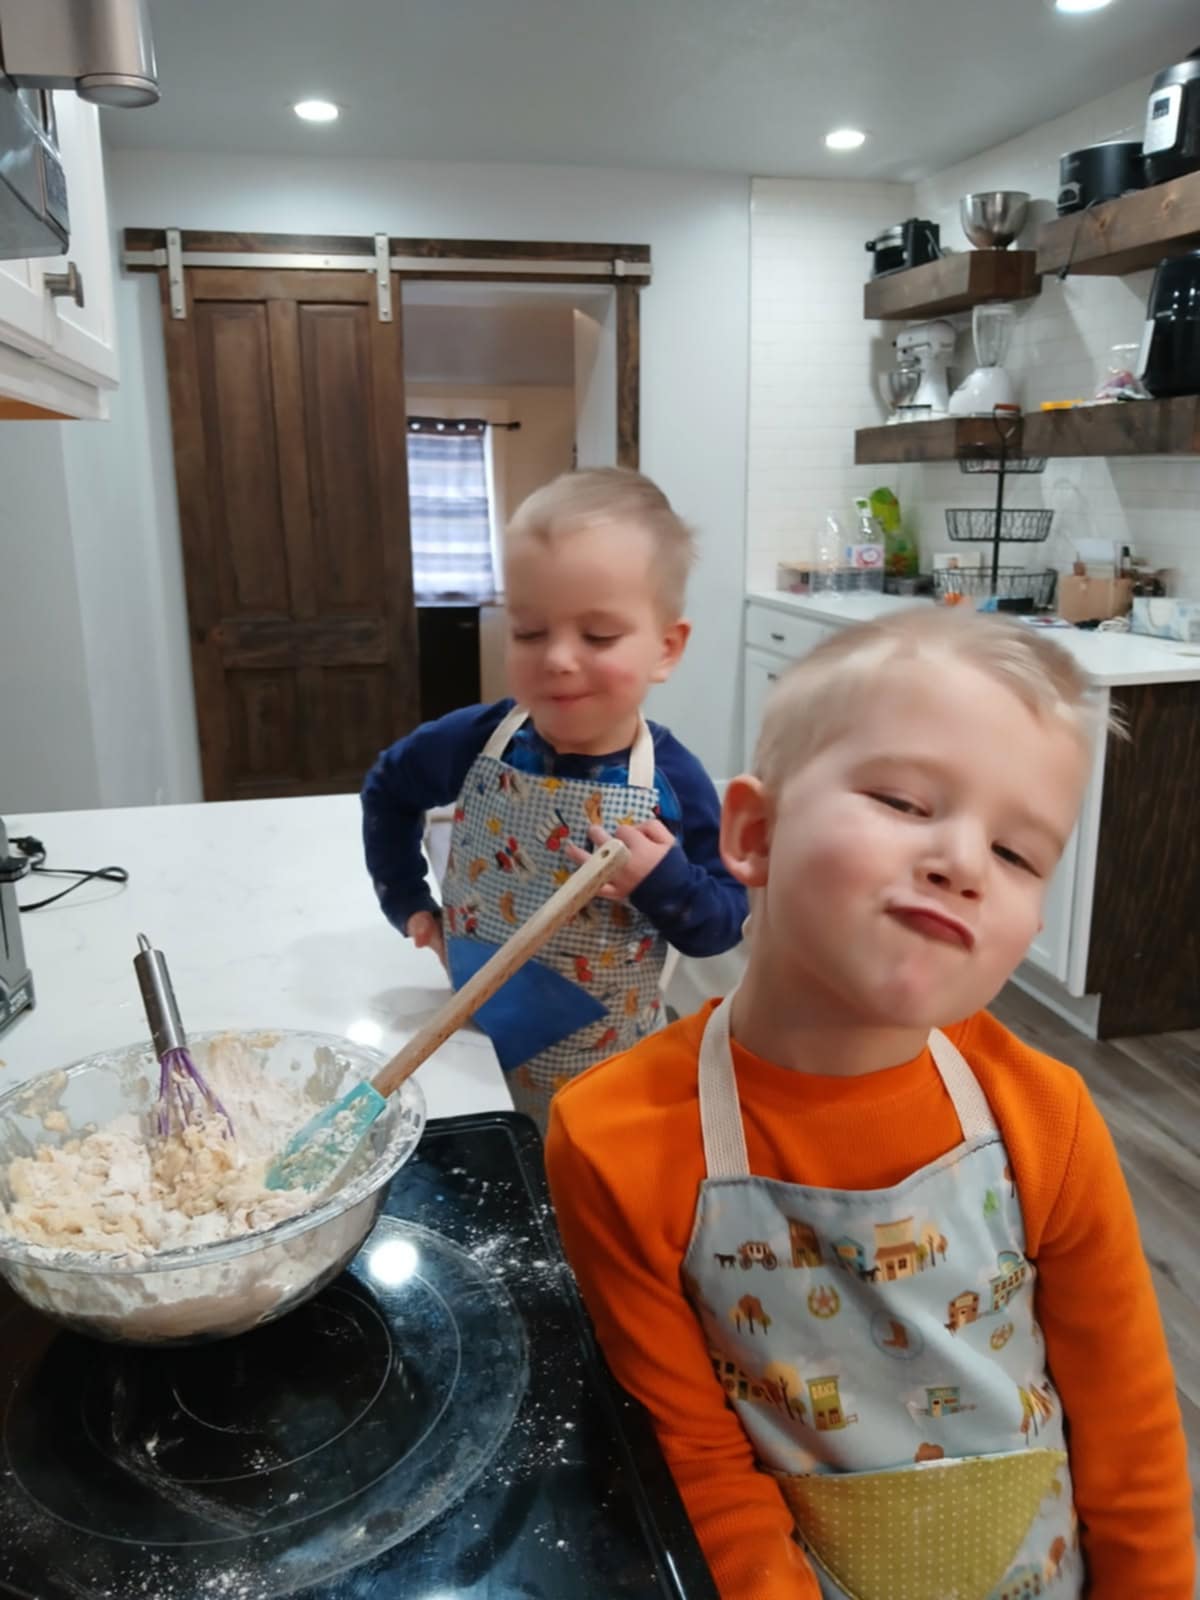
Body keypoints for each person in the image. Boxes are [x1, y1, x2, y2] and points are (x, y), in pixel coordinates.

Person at [546, 607, 1195, 1600]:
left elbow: (1132, 1435)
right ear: (754, 833)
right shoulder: (613, 1140)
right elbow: (699, 1463)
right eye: (902, 799)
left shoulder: (1046, 1118)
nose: (965, 863)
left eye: (1019, 855)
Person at [362, 467, 746, 1131]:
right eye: (530, 632)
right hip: (470, 1041)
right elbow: (390, 787)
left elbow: (723, 924)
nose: (559, 659)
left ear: (666, 648)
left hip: (605, 1077)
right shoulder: (481, 740)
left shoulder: (674, 783)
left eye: (598, 636)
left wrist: (665, 882)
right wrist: (406, 897)